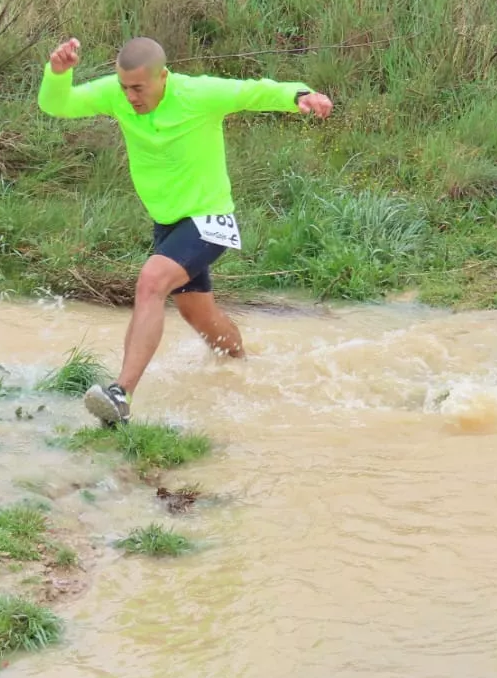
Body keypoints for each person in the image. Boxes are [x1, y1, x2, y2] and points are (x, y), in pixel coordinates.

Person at [38, 36, 334, 425]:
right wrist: (58, 73)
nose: (130, 97)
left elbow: (252, 92)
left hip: (209, 220)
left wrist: (300, 95)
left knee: (151, 282)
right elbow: (58, 104)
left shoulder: (198, 94)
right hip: (168, 224)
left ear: (162, 76)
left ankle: (121, 395)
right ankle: (244, 368)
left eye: (138, 88)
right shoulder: (116, 94)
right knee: (200, 316)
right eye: (125, 87)